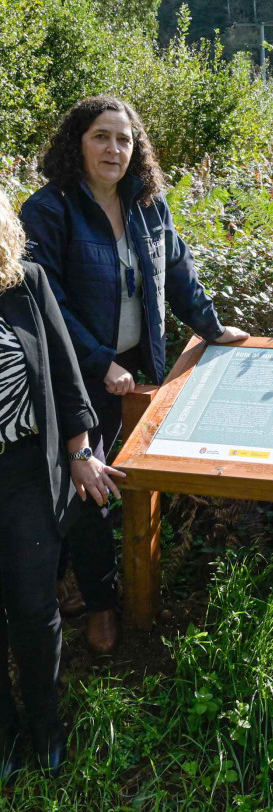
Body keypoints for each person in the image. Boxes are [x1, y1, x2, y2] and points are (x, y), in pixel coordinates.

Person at [20, 96, 249, 654]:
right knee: (90, 488)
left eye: (124, 139)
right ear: (78, 142)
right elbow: (48, 304)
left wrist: (212, 328)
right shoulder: (49, 211)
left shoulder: (148, 205)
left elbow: (178, 272)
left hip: (135, 372)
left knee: (106, 486)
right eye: (102, 136)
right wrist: (101, 361)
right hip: (73, 375)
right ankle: (101, 604)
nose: (114, 149)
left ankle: (70, 583)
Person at [0, 189, 125, 778]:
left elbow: (68, 378)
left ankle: (46, 725)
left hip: (24, 471)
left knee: (32, 605)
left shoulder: (25, 284)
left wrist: (80, 451)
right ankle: (4, 734)